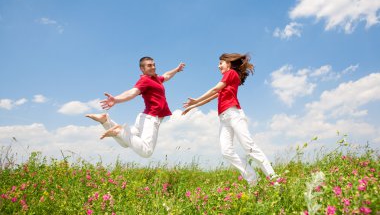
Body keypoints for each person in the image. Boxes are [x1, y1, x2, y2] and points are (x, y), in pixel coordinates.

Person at [182, 53, 276, 185]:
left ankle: (276, 181)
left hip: (234, 114)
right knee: (226, 151)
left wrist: (196, 99)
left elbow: (215, 88)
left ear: (229, 63)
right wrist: (193, 106)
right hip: (224, 119)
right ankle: (252, 178)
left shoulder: (230, 73)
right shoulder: (227, 82)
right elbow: (212, 96)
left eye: (221, 63)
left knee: (249, 147)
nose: (218, 66)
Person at [86, 56, 185, 158]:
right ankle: (118, 130)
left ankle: (106, 121)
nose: (153, 67)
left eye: (154, 65)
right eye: (149, 65)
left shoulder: (155, 79)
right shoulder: (145, 80)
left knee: (125, 143)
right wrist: (116, 99)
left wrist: (177, 70)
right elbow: (132, 92)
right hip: (150, 118)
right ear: (142, 69)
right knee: (146, 152)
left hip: (144, 118)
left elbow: (167, 75)